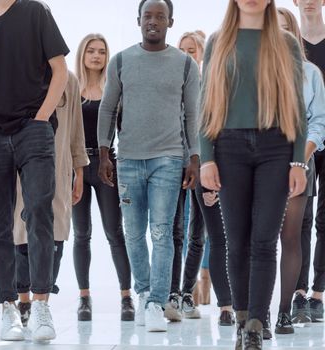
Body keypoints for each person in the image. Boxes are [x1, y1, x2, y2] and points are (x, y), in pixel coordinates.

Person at [199, 0, 307, 348]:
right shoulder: (219, 40)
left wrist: (298, 162)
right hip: (228, 147)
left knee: (264, 241)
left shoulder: (286, 42)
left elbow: (296, 105)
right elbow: (206, 101)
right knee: (237, 241)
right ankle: (243, 319)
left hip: (276, 146)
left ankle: (257, 326)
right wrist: (206, 158)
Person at [0, 0, 69, 342]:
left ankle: (40, 305)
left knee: (39, 211)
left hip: (33, 129)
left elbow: (59, 69)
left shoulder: (35, 12)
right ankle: (9, 307)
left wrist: (41, 117)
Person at [98, 0, 200, 333]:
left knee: (161, 231)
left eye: (160, 16)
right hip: (128, 159)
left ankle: (157, 302)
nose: (153, 21)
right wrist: (103, 153)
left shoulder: (185, 64)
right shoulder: (122, 61)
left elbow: (193, 115)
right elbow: (108, 109)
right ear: (138, 20)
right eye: (147, 16)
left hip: (168, 159)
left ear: (171, 21)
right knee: (134, 234)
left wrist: (193, 157)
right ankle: (142, 294)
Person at [13, 70, 89, 326]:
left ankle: (41, 303)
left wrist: (79, 172)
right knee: (20, 233)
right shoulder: (15, 70)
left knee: (55, 234)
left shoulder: (68, 79)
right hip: (19, 168)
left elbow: (76, 131)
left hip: (59, 168)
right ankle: (23, 300)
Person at [71, 33, 134, 322]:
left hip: (108, 166)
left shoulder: (114, 90)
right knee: (81, 234)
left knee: (114, 233)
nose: (96, 56)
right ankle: (84, 298)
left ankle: (126, 297)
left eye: (101, 51)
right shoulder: (72, 90)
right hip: (78, 167)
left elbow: (125, 131)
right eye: (91, 51)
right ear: (82, 55)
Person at [275, 7, 325, 334]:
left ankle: (311, 296)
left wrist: (300, 157)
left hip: (304, 150)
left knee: (313, 223)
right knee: (284, 230)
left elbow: (317, 121)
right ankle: (293, 295)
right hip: (268, 158)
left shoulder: (309, 73)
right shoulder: (253, 68)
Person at [167, 30, 206, 322]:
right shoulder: (172, 84)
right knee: (174, 230)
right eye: (182, 49)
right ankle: (172, 294)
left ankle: (188, 292)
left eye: (191, 50)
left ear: (201, 53)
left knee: (198, 232)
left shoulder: (209, 87)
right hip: (175, 163)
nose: (187, 54)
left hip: (205, 164)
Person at [292, 0, 325, 325]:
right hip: (300, 143)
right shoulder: (286, 41)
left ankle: (317, 294)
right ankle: (299, 292)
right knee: (300, 219)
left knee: (324, 220)